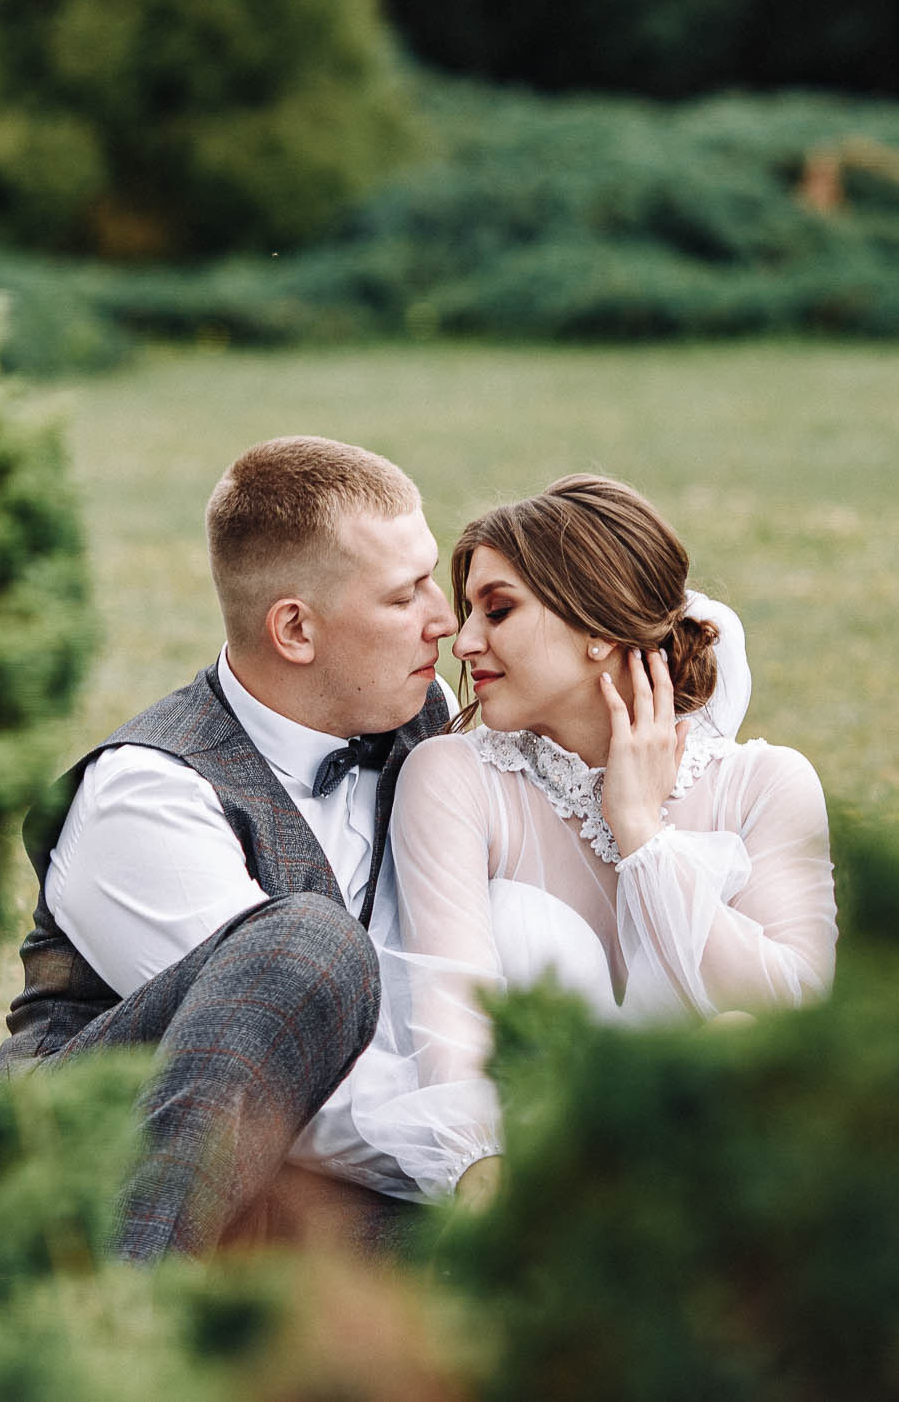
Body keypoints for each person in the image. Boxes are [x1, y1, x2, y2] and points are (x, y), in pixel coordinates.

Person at [0, 435, 459, 1260]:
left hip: (287, 1198)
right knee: (310, 944)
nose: (444, 620)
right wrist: (485, 1155)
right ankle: (117, 1338)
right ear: (295, 628)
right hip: (80, 1190)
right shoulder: (145, 794)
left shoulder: (426, 721)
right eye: (404, 595)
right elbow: (308, 1087)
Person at [349, 474, 838, 1209]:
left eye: (499, 609)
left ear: (600, 630)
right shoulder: (453, 777)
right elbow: (450, 1025)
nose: (466, 640)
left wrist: (641, 832)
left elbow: (792, 1023)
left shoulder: (770, 784)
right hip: (531, 1188)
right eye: (468, 610)